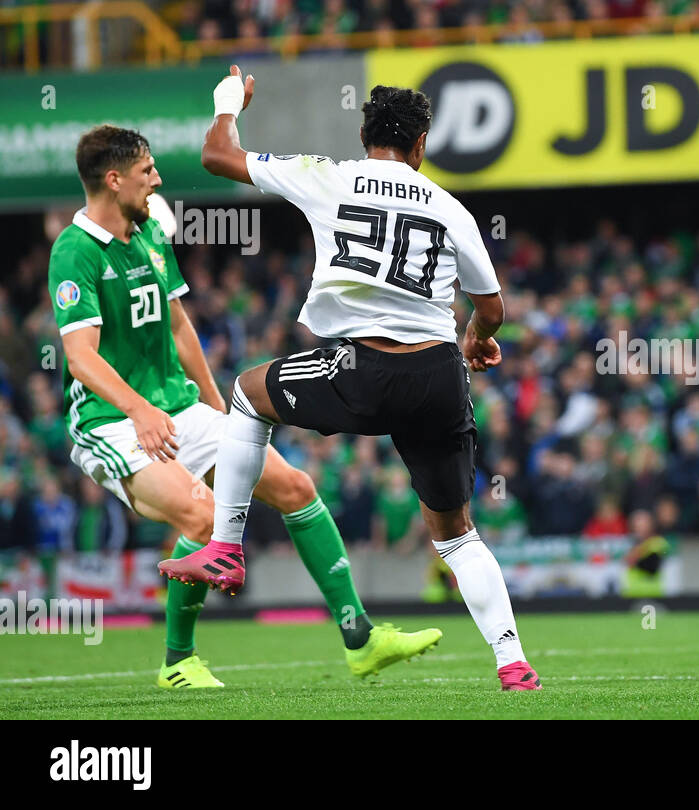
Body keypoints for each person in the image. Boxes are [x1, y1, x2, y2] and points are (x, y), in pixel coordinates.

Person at [173, 65, 539, 690]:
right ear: (420, 146)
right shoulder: (452, 207)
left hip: (366, 369)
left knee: (247, 394)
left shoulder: (329, 176)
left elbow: (217, 155)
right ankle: (513, 662)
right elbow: (493, 306)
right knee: (456, 534)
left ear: (365, 138)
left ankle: (228, 547)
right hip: (438, 375)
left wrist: (228, 102)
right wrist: (478, 340)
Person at [49, 124, 440, 689]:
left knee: (296, 488)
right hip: (111, 423)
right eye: (146, 171)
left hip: (178, 406)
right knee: (204, 515)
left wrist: (220, 412)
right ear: (113, 180)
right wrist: (138, 410)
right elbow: (81, 358)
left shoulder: (150, 230)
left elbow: (180, 327)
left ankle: (361, 638)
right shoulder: (74, 252)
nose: (157, 178)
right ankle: (177, 660)